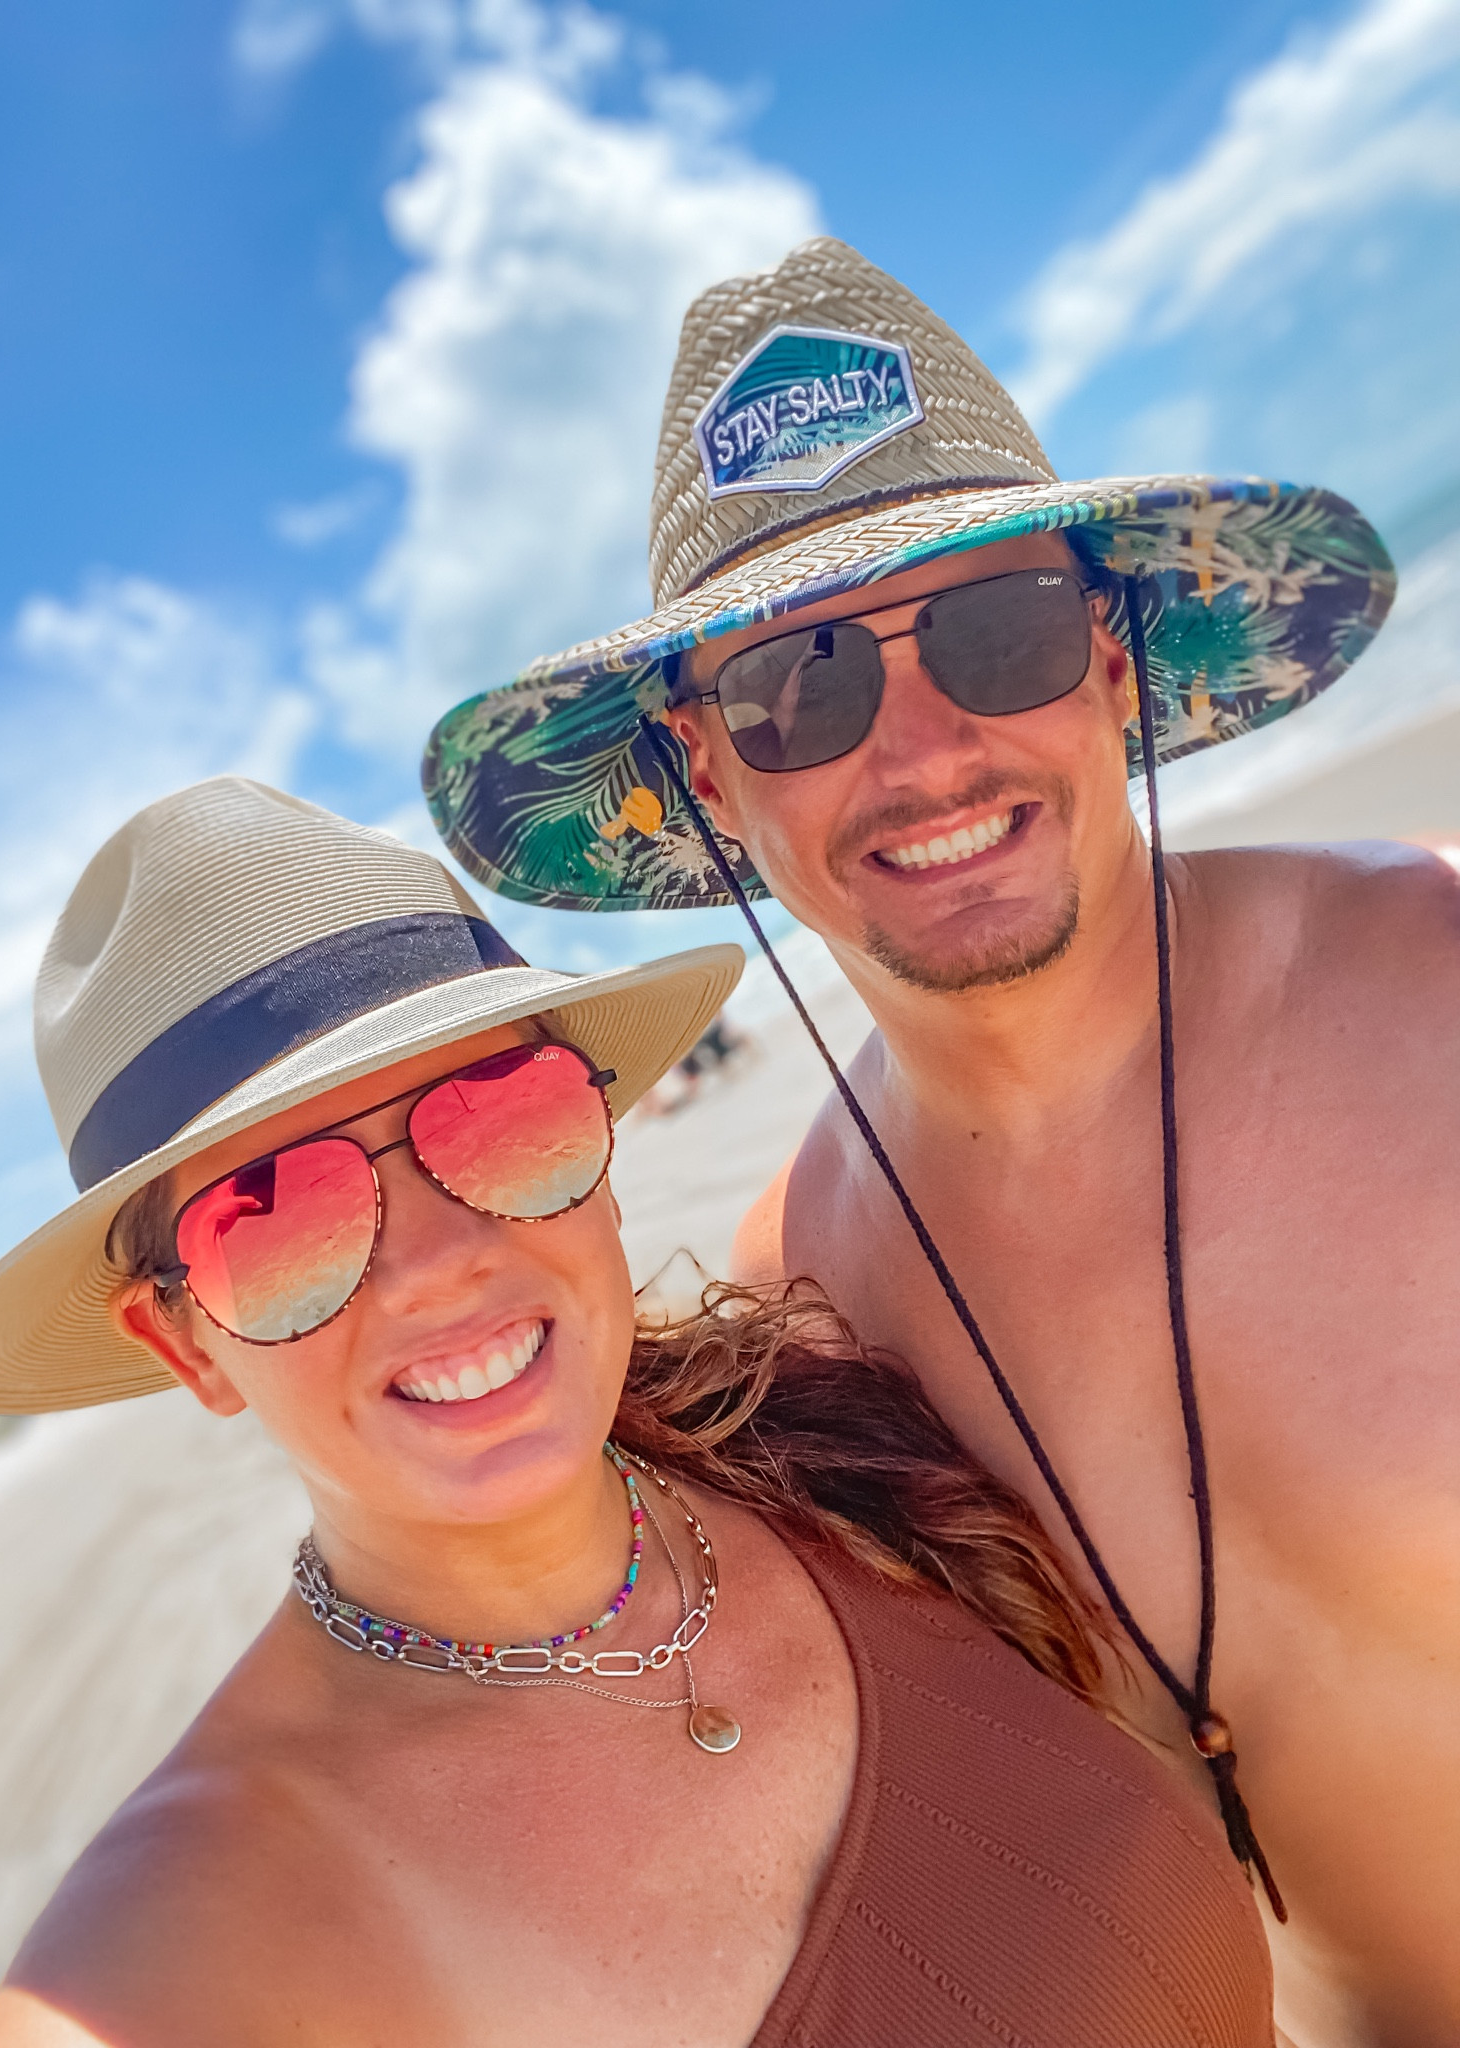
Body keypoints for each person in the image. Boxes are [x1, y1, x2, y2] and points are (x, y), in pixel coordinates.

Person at [421, 239, 1459, 2047]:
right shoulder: (807, 1302)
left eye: (1000, 635)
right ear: (708, 778)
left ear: (1115, 660)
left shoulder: (1442, 979)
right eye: (800, 687)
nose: (926, 749)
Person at [0, 777, 1273, 2047]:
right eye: (276, 1222)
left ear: (604, 1148)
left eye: (500, 1119)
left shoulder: (845, 1443)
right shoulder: (188, 1952)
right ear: (186, 1343)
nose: (442, 1259)